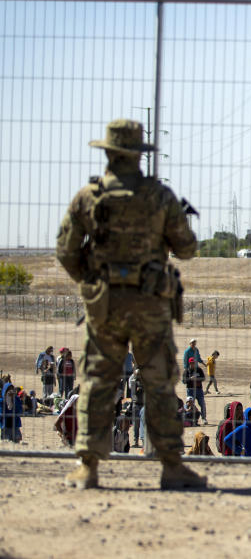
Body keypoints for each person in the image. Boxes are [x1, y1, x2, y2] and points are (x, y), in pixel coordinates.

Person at [55, 119, 205, 490]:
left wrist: (92, 282)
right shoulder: (159, 196)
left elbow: (65, 251)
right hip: (150, 305)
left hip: (104, 304)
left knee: (97, 381)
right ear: (140, 154)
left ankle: (88, 466)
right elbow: (187, 248)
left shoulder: (89, 197)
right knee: (158, 384)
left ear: (107, 152)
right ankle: (171, 465)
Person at [181, 358, 206, 424]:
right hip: (190, 390)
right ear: (189, 363)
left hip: (199, 390)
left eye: (194, 363)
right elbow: (184, 381)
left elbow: (203, 378)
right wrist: (190, 378)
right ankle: (189, 419)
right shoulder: (186, 371)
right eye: (191, 363)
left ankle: (204, 418)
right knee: (189, 405)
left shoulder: (199, 370)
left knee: (202, 404)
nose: (193, 364)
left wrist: (197, 378)